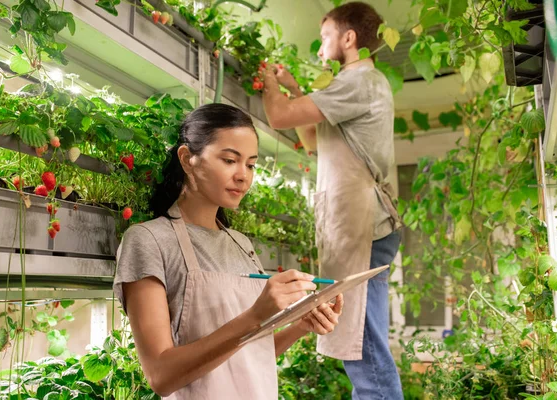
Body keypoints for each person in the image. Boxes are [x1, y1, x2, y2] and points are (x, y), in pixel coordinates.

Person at [113, 103, 344, 399]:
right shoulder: (148, 240)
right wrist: (256, 315)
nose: (243, 176)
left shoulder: (240, 244)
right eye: (230, 160)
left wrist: (301, 326)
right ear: (187, 159)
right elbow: (161, 375)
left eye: (250, 165)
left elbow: (249, 357)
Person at [262, 2, 403, 399]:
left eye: (326, 37)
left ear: (349, 38)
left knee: (361, 341)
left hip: (363, 225)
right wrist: (291, 87)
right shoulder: (352, 85)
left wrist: (268, 82)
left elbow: (278, 117)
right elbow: (311, 140)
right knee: (357, 339)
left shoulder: (360, 81)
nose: (321, 49)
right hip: (357, 225)